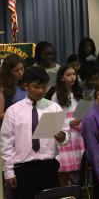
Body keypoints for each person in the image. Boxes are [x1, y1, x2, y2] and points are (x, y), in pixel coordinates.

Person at [0, 67, 68, 199]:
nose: (41, 91)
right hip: (22, 168)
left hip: (48, 166)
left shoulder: (53, 107)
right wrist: (8, 171)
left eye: (44, 87)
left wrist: (63, 137)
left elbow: (65, 134)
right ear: (26, 85)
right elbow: (6, 143)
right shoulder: (13, 111)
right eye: (36, 87)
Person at [51, 65, 85, 186]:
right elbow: (55, 117)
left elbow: (82, 111)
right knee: (64, 169)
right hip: (65, 134)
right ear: (61, 78)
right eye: (68, 75)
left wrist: (81, 120)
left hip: (78, 133)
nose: (72, 77)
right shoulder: (56, 95)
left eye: (74, 74)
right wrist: (69, 122)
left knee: (79, 167)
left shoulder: (78, 93)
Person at [0, 54, 27, 121]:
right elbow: (0, 115)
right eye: (16, 70)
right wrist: (20, 114)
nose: (20, 72)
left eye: (21, 69)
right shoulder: (3, 88)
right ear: (8, 72)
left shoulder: (27, 82)